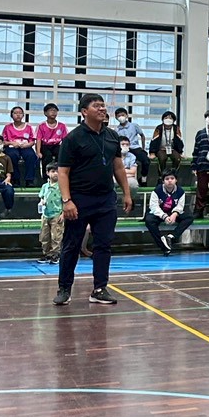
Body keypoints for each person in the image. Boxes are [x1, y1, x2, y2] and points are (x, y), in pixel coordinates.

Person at [54, 92, 133, 308]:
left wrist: (126, 193)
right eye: (96, 106)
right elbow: (63, 172)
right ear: (84, 112)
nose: (102, 109)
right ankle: (64, 288)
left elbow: (118, 167)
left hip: (105, 200)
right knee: (71, 245)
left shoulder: (112, 136)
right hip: (79, 200)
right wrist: (67, 201)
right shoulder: (73, 138)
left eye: (103, 105)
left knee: (103, 245)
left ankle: (99, 289)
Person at [145, 171, 195, 254]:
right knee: (149, 220)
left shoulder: (180, 191)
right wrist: (164, 216)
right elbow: (153, 206)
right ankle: (163, 246)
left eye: (172, 178)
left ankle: (171, 238)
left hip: (172, 213)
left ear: (176, 180)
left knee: (189, 217)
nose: (170, 181)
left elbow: (180, 206)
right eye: (167, 179)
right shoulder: (157, 191)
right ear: (163, 181)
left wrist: (175, 214)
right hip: (160, 213)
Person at [3, 106, 39, 186]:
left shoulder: (28, 127)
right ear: (11, 115)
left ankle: (29, 180)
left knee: (31, 155)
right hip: (12, 147)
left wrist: (27, 145)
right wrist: (12, 143)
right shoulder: (7, 127)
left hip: (25, 146)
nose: (18, 115)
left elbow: (32, 141)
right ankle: (15, 179)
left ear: (23, 115)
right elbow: (4, 142)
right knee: (12, 155)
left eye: (20, 113)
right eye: (15, 113)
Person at [37, 163, 64, 263]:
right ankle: (46, 253)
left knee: (56, 235)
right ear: (47, 173)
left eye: (57, 171)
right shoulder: (45, 186)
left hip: (57, 214)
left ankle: (55, 254)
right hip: (45, 214)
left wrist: (63, 214)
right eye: (53, 171)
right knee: (44, 235)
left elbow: (64, 201)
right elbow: (42, 197)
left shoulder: (62, 186)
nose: (55, 173)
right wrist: (42, 202)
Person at [113, 108, 148, 180]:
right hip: (123, 148)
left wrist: (143, 148)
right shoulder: (116, 130)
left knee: (146, 160)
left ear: (127, 115)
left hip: (135, 147)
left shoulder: (134, 125)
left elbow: (142, 135)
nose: (121, 117)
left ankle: (143, 178)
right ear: (116, 118)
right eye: (119, 116)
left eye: (123, 115)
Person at [149, 111, 183, 179]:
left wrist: (180, 152)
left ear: (173, 120)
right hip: (161, 149)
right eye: (166, 118)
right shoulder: (159, 128)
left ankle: (173, 175)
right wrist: (152, 152)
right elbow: (154, 140)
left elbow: (179, 140)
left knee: (177, 158)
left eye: (170, 118)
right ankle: (162, 176)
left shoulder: (176, 128)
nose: (168, 119)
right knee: (162, 158)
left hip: (172, 149)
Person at [36, 104, 67, 168]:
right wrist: (38, 152)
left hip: (56, 145)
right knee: (47, 156)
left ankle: (58, 172)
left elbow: (65, 140)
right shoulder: (41, 125)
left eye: (55, 111)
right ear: (45, 113)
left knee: (61, 155)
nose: (53, 112)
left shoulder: (62, 125)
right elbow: (38, 139)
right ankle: (46, 173)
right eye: (51, 110)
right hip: (45, 146)